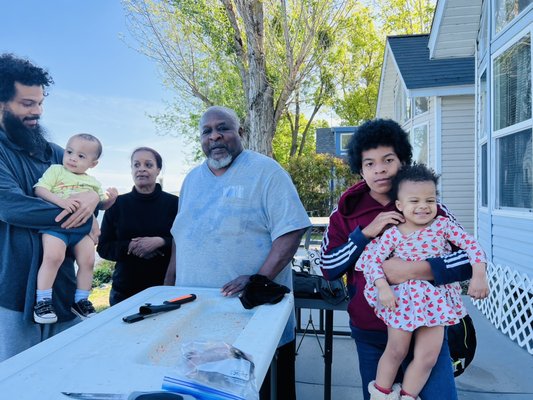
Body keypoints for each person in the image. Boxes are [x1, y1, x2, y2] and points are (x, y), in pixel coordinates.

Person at [320, 119, 474, 400]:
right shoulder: (344, 213)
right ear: (360, 169)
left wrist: (412, 270)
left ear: (402, 160)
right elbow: (329, 268)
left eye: (388, 159)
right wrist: (364, 234)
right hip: (372, 332)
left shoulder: (426, 205)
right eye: (369, 163)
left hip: (427, 327)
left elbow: (468, 259)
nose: (379, 169)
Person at [164, 106, 310, 400]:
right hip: (196, 317)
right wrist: (166, 289)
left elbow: (291, 230)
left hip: (252, 316)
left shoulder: (267, 172)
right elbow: (181, 237)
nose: (215, 136)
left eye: (224, 128)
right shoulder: (191, 180)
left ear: (240, 133)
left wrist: (259, 279)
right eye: (207, 131)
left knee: (261, 392)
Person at [356, 163, 489, 400]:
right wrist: (383, 287)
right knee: (397, 350)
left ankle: (408, 396)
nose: (423, 207)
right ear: (399, 205)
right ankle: (382, 395)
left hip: (435, 301)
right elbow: (371, 261)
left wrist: (479, 274)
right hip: (402, 301)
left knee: (428, 356)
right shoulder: (393, 233)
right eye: (414, 201)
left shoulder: (443, 226)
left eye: (429, 200)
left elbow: (472, 245)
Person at [0, 53, 100, 361]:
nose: (38, 112)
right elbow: (12, 206)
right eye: (27, 104)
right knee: (16, 383)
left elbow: (85, 187)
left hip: (64, 294)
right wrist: (84, 218)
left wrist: (94, 199)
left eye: (40, 103)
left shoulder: (56, 152)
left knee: (64, 377)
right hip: (13, 296)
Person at [33, 133, 118, 324]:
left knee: (87, 261)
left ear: (93, 163)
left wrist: (110, 200)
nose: (72, 158)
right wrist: (60, 201)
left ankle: (81, 301)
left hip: (80, 230)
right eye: (70, 152)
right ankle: (43, 301)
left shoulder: (93, 182)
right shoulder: (56, 170)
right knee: (53, 257)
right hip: (58, 226)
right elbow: (40, 189)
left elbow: (100, 206)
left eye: (81, 156)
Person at [97, 147, 179, 306]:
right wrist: (131, 246)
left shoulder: (175, 204)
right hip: (125, 291)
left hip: (165, 287)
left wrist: (161, 241)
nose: (141, 169)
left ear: (158, 170)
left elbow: (185, 241)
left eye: (148, 165)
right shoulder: (116, 205)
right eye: (136, 165)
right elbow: (103, 248)